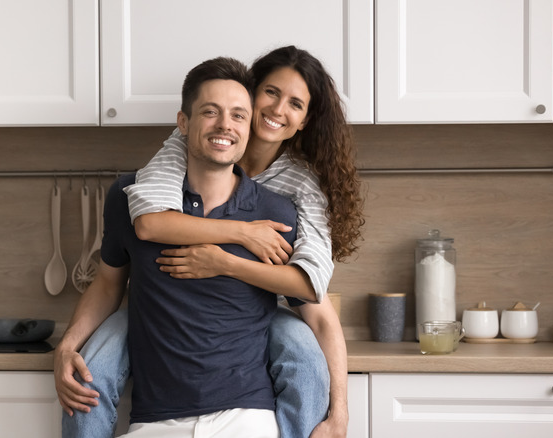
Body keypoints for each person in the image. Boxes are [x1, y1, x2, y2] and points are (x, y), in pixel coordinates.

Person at [57, 56, 302, 437]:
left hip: (247, 417)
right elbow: (107, 284)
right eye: (210, 112)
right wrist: (66, 345)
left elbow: (311, 306)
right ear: (183, 123)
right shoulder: (130, 197)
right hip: (155, 420)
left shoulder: (275, 213)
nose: (225, 125)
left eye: (239, 115)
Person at [127, 45, 363, 437]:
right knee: (92, 364)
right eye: (271, 92)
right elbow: (150, 222)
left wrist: (225, 263)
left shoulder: (298, 188)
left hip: (254, 312)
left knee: (304, 358)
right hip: (165, 310)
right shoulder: (190, 142)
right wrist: (241, 233)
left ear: (305, 121)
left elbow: (312, 288)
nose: (277, 110)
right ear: (250, 94)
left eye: (296, 104)